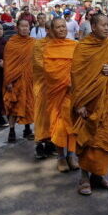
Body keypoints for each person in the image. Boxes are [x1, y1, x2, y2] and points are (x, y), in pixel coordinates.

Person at [71, 14, 108, 196]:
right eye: (103, 25)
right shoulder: (83, 48)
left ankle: (98, 176)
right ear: (93, 27)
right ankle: (84, 177)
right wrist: (79, 103)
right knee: (87, 140)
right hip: (87, 103)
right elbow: (76, 75)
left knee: (103, 141)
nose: (107, 28)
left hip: (107, 102)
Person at [34, 18, 79, 171]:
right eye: (58, 27)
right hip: (57, 91)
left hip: (73, 91)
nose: (62, 29)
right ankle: (61, 157)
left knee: (72, 123)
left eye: (63, 27)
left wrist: (75, 83)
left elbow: (80, 66)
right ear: (52, 30)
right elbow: (49, 70)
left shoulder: (74, 45)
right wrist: (66, 82)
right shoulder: (48, 48)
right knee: (59, 124)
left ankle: (71, 155)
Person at [3, 19, 36, 141]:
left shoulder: (33, 42)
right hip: (14, 80)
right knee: (13, 106)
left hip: (29, 79)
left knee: (28, 104)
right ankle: (11, 130)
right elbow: (8, 63)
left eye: (26, 26)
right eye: (22, 26)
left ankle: (27, 129)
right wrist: (9, 81)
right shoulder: (11, 43)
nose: (24, 28)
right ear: (17, 28)